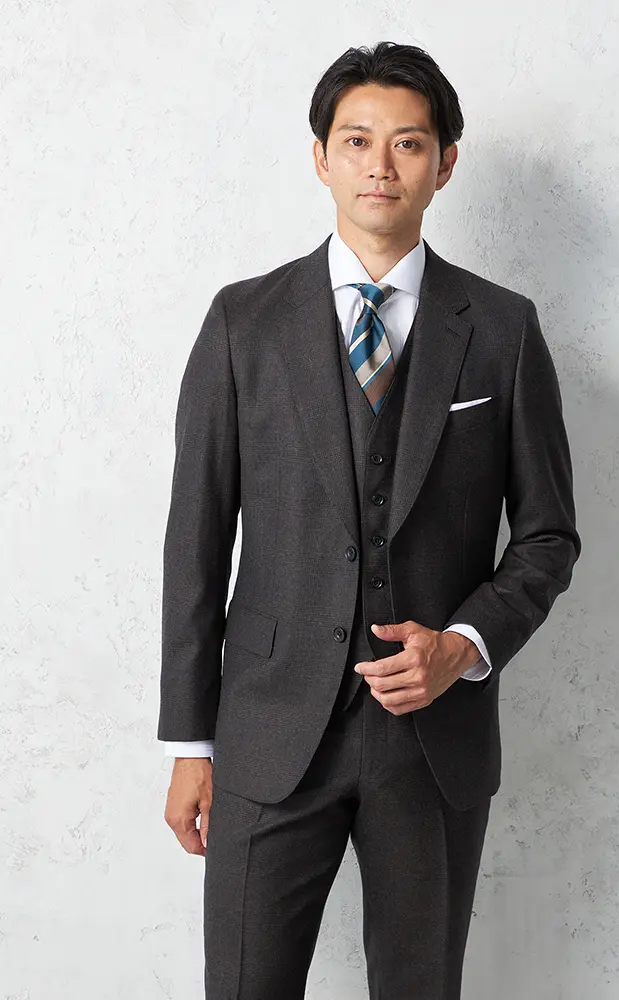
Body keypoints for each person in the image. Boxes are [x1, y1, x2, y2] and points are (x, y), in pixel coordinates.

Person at [158, 40, 581, 1000]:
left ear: (446, 163)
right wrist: (190, 745)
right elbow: (195, 542)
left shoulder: (503, 330)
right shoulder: (242, 323)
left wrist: (463, 646)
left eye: (408, 143)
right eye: (356, 141)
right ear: (321, 157)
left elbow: (548, 536)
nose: (380, 165)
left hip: (433, 741)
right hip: (267, 731)